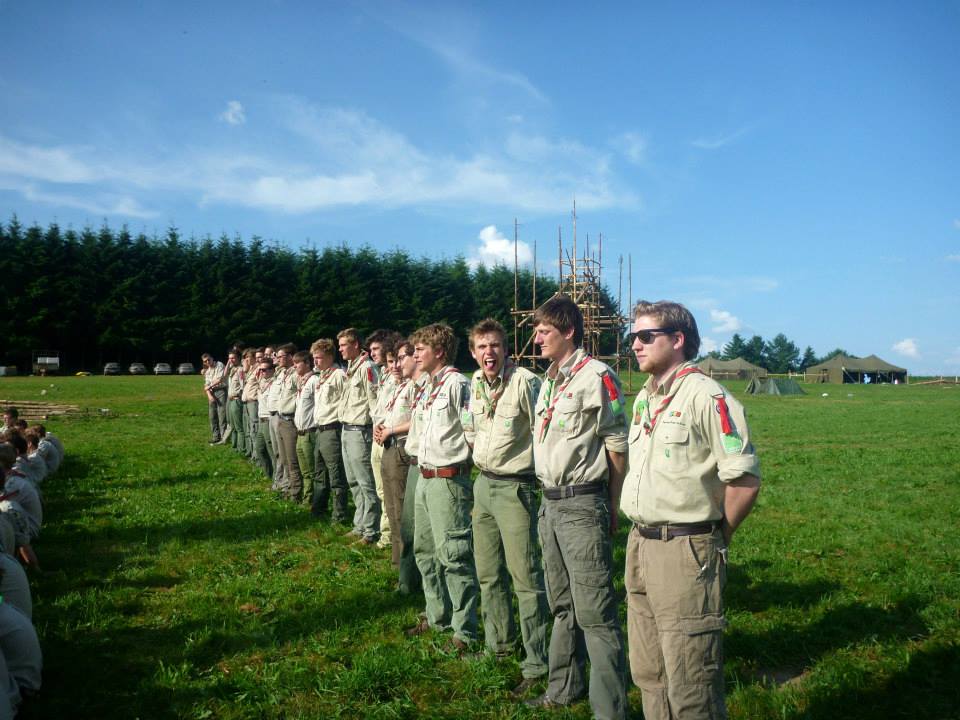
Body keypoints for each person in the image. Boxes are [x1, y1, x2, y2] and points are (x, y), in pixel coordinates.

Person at [620, 300, 761, 720]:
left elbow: (744, 480)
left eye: (647, 336)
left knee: (691, 680)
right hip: (640, 542)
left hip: (685, 549)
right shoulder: (645, 398)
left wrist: (716, 537)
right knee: (649, 672)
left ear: (678, 340)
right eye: (633, 338)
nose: (636, 346)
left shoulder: (706, 395)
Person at [526, 294, 629, 719]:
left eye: (544, 331)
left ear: (569, 331)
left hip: (582, 503)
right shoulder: (551, 380)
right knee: (562, 604)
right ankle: (563, 688)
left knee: (596, 613)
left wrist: (613, 505)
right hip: (549, 504)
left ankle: (609, 710)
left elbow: (618, 447)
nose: (536, 338)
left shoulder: (597, 377)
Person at [466, 319, 550, 695]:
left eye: (496, 346)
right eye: (482, 347)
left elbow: (543, 433)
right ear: (473, 352)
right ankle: (499, 646)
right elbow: (471, 425)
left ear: (506, 350)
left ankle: (537, 661)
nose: (489, 353)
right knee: (488, 573)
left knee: (526, 579)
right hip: (482, 484)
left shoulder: (526, 383)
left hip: (516, 488)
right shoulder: (475, 383)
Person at [406, 323, 479, 654]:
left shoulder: (458, 385)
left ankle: (465, 631)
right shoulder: (427, 386)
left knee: (454, 555)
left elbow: (472, 431)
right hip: (424, 476)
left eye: (421, 348)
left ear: (439, 351)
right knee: (425, 551)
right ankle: (438, 615)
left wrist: (464, 470)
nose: (415, 354)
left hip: (448, 480)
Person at [374, 337, 417, 567]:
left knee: (400, 509)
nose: (396, 366)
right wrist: (381, 427)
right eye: (394, 361)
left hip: (401, 447)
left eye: (400, 359)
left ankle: (406, 565)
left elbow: (415, 420)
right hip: (388, 446)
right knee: (390, 507)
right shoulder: (397, 386)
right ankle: (396, 559)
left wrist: (390, 429)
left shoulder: (413, 386)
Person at [337, 328, 381, 545]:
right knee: (353, 481)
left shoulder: (367, 368)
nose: (340, 349)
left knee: (366, 483)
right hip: (346, 429)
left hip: (360, 432)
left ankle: (371, 531)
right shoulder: (351, 368)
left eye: (344, 344)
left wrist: (377, 430)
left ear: (355, 345)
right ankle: (360, 525)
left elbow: (374, 401)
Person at [310, 339, 349, 522]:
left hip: (332, 429)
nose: (315, 362)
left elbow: (346, 400)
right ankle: (319, 508)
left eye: (318, 358)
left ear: (329, 356)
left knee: (335, 474)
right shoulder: (322, 376)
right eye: (314, 358)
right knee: (319, 472)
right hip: (320, 429)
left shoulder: (339, 375)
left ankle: (339, 514)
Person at [273, 344, 303, 502]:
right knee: (284, 459)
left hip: (290, 421)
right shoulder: (283, 373)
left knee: (292, 460)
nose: (277, 359)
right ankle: (290, 488)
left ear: (291, 357)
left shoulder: (295, 375)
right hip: (281, 419)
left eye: (281, 356)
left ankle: (296, 493)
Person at [292, 351, 319, 508]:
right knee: (305, 470)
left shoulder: (314, 380)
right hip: (300, 433)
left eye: (298, 362)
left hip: (310, 432)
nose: (295, 365)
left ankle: (313, 500)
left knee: (312, 469)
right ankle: (307, 497)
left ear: (307, 363)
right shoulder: (302, 382)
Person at [252, 358, 276, 479]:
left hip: (268, 420)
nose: (262, 372)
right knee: (259, 448)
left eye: (265, 370)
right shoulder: (261, 381)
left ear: (272, 370)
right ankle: (269, 474)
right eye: (260, 370)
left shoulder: (275, 382)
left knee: (272, 451)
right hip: (261, 419)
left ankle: (277, 478)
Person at [201, 354, 227, 444]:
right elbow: (206, 385)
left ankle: (224, 438)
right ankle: (216, 437)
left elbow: (219, 379)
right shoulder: (207, 371)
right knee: (212, 416)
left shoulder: (219, 365)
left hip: (221, 391)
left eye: (208, 360)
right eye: (205, 361)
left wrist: (209, 387)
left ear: (212, 358)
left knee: (222, 415)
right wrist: (209, 395)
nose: (207, 362)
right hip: (211, 392)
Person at [241, 349, 260, 460]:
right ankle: (253, 453)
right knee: (249, 428)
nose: (246, 360)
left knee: (254, 428)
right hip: (247, 402)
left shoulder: (258, 369)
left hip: (253, 402)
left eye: (248, 357)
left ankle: (257, 456)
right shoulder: (251, 369)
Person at [225, 349, 245, 452]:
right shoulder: (233, 369)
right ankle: (234, 446)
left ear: (238, 358)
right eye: (229, 358)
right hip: (231, 400)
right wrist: (229, 363)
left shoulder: (240, 370)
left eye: (233, 358)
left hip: (236, 400)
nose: (231, 360)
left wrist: (239, 396)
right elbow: (224, 374)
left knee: (238, 426)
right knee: (232, 425)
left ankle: (240, 448)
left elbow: (242, 386)